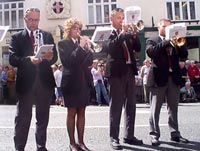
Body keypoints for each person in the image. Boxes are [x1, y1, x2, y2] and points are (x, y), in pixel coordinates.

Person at [9, 7, 58, 151]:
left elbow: (54, 57)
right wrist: (29, 59)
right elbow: (13, 59)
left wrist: (50, 57)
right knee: (23, 118)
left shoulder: (47, 35)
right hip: (26, 83)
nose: (34, 23)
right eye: (31, 19)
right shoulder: (16, 37)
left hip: (44, 82)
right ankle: (19, 148)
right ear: (25, 19)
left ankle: (41, 147)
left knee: (43, 118)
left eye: (36, 20)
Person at [146, 18, 189, 146]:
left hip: (173, 77)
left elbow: (184, 54)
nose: (167, 29)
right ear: (159, 27)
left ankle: (175, 133)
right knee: (155, 108)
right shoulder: (152, 40)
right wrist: (165, 41)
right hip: (159, 78)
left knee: (173, 107)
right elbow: (151, 52)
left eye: (169, 27)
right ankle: (154, 134)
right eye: (165, 26)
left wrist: (178, 42)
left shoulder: (175, 41)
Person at [105, 8, 143, 150]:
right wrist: (122, 34)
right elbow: (111, 48)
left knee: (131, 105)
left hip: (129, 71)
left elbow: (138, 48)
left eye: (122, 17)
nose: (122, 20)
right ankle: (114, 137)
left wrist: (134, 35)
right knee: (115, 106)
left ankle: (129, 135)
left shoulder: (126, 33)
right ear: (112, 19)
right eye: (119, 18)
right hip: (116, 73)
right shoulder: (108, 33)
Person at [58, 18, 93, 151]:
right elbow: (69, 62)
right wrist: (80, 47)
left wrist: (88, 49)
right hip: (71, 82)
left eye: (79, 28)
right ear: (68, 30)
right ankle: (72, 143)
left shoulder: (81, 44)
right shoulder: (63, 44)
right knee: (71, 112)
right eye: (75, 28)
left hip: (83, 81)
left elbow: (88, 62)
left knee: (82, 112)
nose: (78, 31)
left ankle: (81, 142)